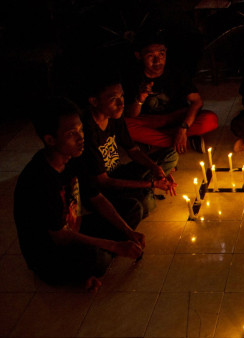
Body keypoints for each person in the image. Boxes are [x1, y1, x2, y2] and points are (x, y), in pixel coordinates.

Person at [13, 98, 146, 291]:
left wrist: (127, 231)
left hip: (77, 227)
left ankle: (101, 255)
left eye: (81, 130)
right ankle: (93, 262)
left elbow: (96, 198)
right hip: (51, 251)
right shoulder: (39, 180)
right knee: (97, 259)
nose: (80, 138)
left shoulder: (74, 157)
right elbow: (61, 237)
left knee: (133, 208)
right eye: (71, 133)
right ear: (50, 139)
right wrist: (115, 246)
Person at [82, 73, 177, 218]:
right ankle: (143, 190)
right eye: (114, 99)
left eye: (122, 96)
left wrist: (154, 168)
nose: (121, 104)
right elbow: (105, 182)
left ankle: (143, 188)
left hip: (119, 173)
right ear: (94, 101)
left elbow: (132, 150)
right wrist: (151, 184)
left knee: (170, 155)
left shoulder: (114, 116)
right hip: (103, 190)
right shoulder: (86, 132)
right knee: (144, 205)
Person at [124, 30, 218, 154]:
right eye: (151, 56)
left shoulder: (176, 72)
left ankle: (153, 144)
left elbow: (197, 102)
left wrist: (183, 129)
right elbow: (132, 115)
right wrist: (139, 99)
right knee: (124, 127)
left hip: (177, 117)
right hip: (150, 120)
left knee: (210, 119)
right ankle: (185, 143)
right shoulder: (132, 76)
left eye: (161, 54)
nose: (157, 61)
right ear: (139, 55)